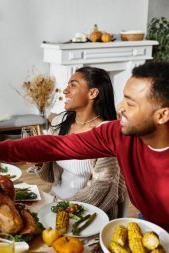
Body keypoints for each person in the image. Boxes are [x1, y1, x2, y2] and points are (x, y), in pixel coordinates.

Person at [0, 61, 169, 231]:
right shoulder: (117, 134)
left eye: (131, 104)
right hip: (148, 222)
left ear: (162, 114)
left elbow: (102, 188)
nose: (120, 107)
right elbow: (56, 146)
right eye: (123, 98)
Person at [35, 67, 126, 219]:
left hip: (88, 214)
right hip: (55, 201)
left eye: (73, 85)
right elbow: (50, 176)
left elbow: (100, 189)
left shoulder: (107, 134)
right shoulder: (60, 121)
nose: (65, 91)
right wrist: (38, 162)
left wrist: (62, 208)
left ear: (93, 93)